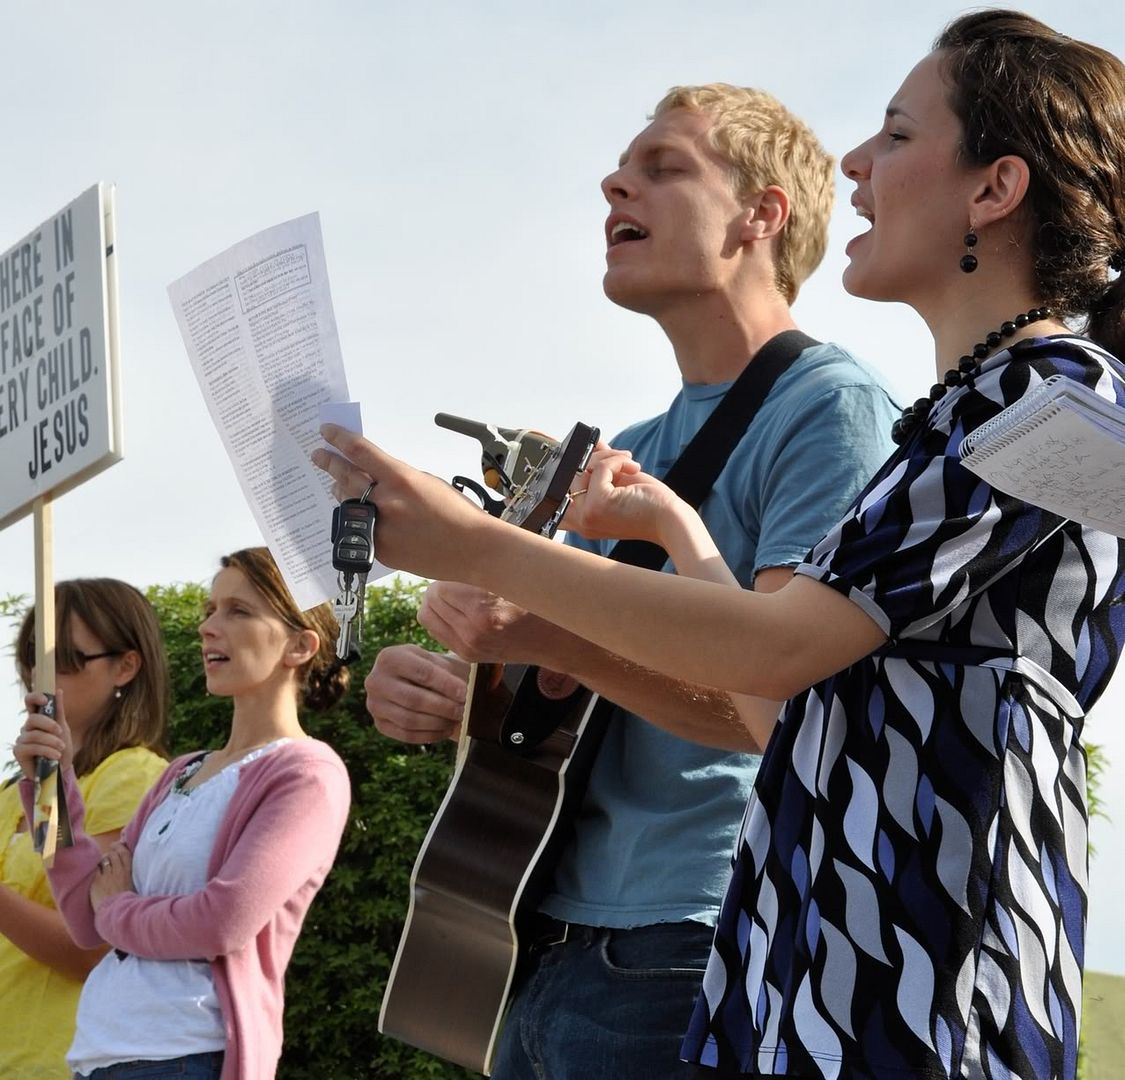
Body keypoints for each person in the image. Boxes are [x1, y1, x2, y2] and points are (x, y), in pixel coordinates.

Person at [316, 10, 1125, 1077]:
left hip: (927, 977)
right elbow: (769, 701)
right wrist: (676, 529)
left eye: (894, 134)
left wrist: (479, 548)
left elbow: (778, 649)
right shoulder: (960, 410)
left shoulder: (1055, 392)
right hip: (821, 967)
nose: (856, 162)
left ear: (993, 190)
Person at [358, 84, 898, 1078]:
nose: (616, 181)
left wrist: (547, 634)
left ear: (761, 214)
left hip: (684, 935)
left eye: (665, 165)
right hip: (539, 931)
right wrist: (458, 685)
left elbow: (775, 703)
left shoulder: (833, 410)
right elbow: (570, 695)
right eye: (622, 167)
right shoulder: (634, 449)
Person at [13, 547, 352, 1080]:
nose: (209, 628)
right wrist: (48, 779)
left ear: (299, 645)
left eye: (238, 611)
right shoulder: (180, 774)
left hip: (188, 1056)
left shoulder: (307, 774)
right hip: (96, 1057)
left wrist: (119, 907)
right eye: (209, 610)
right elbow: (83, 915)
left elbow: (222, 922)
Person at [0, 579, 169, 1079]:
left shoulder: (135, 776)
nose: (41, 672)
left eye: (66, 657)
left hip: (57, 1061)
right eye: (34, 653)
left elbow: (92, 947)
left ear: (126, 665)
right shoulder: (14, 791)